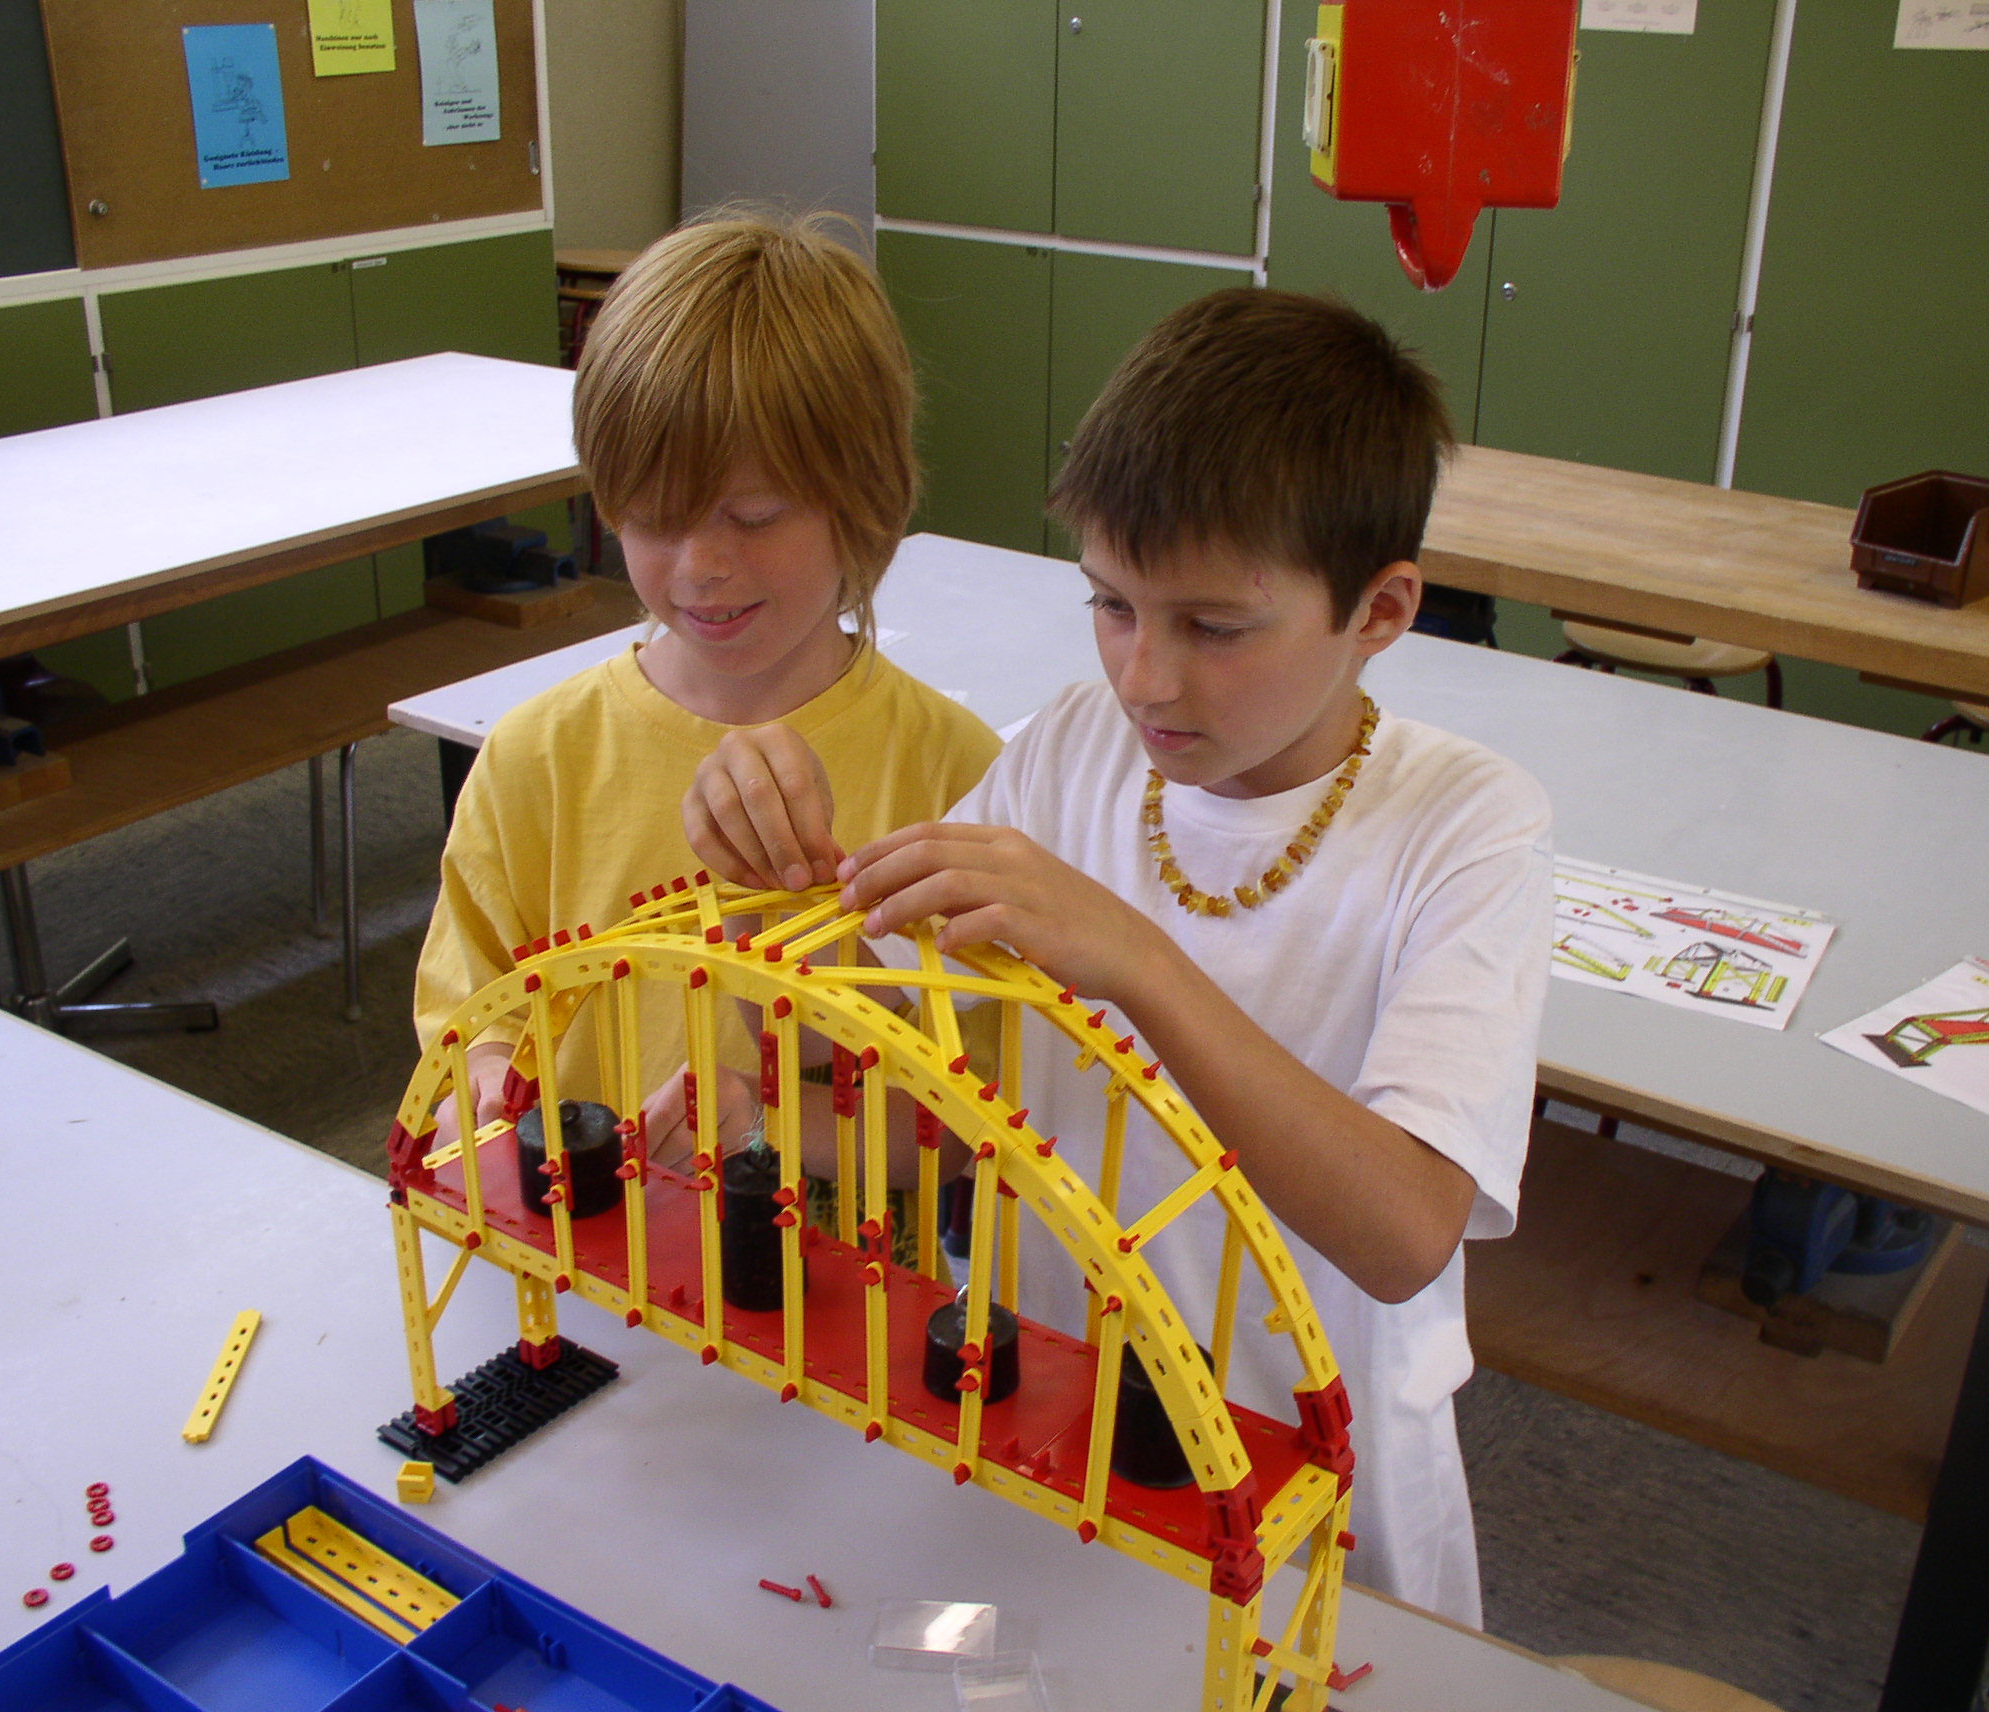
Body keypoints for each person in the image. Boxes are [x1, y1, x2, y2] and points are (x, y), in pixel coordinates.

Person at [686, 288, 1552, 1625]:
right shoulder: (1072, 747)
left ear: (1379, 610)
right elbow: (891, 1078)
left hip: (1306, 1481)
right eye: (1109, 603)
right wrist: (767, 889)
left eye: (1214, 626)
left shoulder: (1466, 827)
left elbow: (1404, 1233)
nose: (1144, 677)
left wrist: (1140, 960)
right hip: (1054, 1430)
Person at [412, 213, 1001, 1176]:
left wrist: (774, 1123)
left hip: (833, 1267)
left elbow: (983, 1125)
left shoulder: (960, 775)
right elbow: (469, 1014)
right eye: (652, 518)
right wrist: (478, 1074)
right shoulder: (536, 761)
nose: (700, 566)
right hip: (579, 1252)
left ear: (864, 495)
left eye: (754, 516)